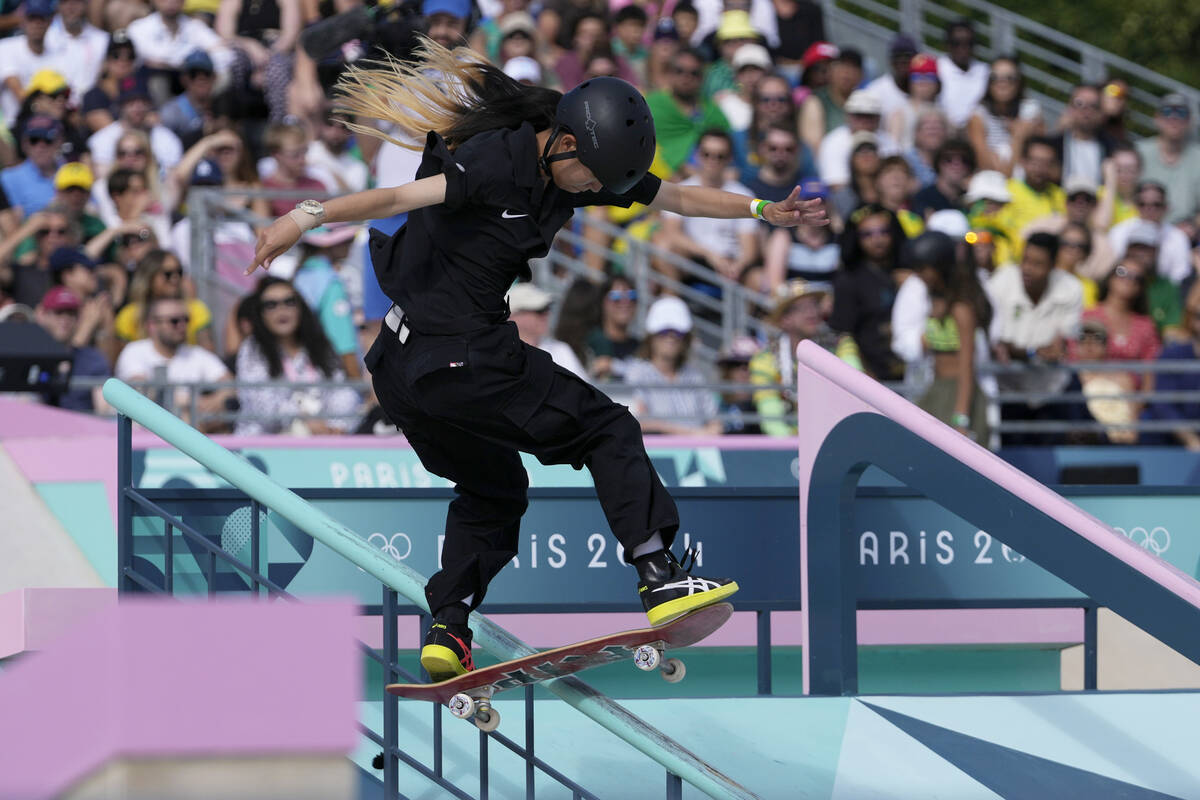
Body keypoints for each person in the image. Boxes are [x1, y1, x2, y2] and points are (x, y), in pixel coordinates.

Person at [249, 44, 825, 679]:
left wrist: (761, 211)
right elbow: (394, 199)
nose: (599, 193)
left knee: (492, 489)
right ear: (566, 145)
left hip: (400, 370)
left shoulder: (581, 167)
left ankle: (448, 628)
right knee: (608, 429)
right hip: (464, 355)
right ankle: (659, 575)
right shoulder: (495, 161)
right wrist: (304, 216)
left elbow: (679, 200)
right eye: (595, 179)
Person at [234, 276, 361, 435]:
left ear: (301, 307)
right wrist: (304, 420)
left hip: (321, 441)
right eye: (271, 305)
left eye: (289, 302)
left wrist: (335, 425)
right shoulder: (252, 349)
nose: (281, 310)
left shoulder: (320, 344)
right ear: (261, 314)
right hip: (263, 446)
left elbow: (342, 391)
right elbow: (261, 404)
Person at [988, 232, 1083, 445]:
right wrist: (1033, 352)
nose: (1028, 269)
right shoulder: (1001, 281)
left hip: (1049, 393)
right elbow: (994, 342)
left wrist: (1019, 350)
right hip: (1006, 393)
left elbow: (1061, 344)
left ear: (1052, 266)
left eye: (1037, 263)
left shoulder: (1071, 288)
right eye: (1025, 260)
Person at [907, 231, 992, 442]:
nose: (918, 275)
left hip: (959, 396)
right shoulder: (934, 304)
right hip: (935, 389)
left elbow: (966, 366)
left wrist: (961, 417)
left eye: (922, 269)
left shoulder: (962, 309)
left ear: (939, 267)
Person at [750, 278, 860, 435]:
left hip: (837, 438)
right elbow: (772, 421)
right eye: (800, 308)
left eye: (814, 305)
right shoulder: (764, 359)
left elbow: (855, 391)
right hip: (789, 447)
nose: (812, 313)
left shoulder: (842, 344)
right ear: (784, 320)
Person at [114, 294, 233, 429]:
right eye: (174, 321)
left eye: (186, 320)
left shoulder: (197, 354)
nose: (182, 326)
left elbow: (230, 385)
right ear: (152, 325)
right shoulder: (134, 351)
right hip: (145, 435)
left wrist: (216, 400)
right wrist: (192, 402)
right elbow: (142, 393)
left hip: (188, 429)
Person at [625, 296, 721, 435]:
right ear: (651, 336)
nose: (671, 337)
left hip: (698, 451)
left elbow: (715, 424)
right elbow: (637, 422)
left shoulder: (694, 376)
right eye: (663, 331)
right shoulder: (636, 373)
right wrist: (686, 433)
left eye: (678, 332)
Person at [830, 204, 905, 380]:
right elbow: (844, 334)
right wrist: (867, 381)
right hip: (873, 377)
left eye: (884, 231)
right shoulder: (849, 280)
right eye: (867, 234)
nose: (877, 240)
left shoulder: (910, 274)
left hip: (912, 372)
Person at [646, 47, 731, 175]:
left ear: (702, 77)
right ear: (670, 73)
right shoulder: (651, 106)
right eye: (680, 71)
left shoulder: (712, 111)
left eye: (694, 73)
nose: (686, 77)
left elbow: (727, 148)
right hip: (660, 181)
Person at [114, 248, 216, 350]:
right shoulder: (129, 316)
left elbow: (208, 355)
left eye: (179, 272)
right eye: (168, 274)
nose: (175, 278)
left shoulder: (196, 310)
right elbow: (123, 360)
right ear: (149, 277)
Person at [34, 285, 112, 413]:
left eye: (71, 313)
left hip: (84, 429)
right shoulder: (28, 356)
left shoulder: (93, 359)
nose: (65, 319)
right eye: (58, 312)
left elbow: (103, 411)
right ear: (42, 315)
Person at [1144, 283, 1200, 449]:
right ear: (1192, 320)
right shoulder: (1173, 354)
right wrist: (1190, 439)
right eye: (1199, 316)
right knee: (1147, 421)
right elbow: (1163, 404)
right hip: (1174, 438)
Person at [966, 56, 1042, 177]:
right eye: (995, 78)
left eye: (1010, 78)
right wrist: (1018, 137)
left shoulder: (1030, 110)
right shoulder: (978, 114)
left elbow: (1040, 165)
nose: (1002, 83)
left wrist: (1016, 141)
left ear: (1019, 82)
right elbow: (987, 167)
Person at [1108, 182, 1193, 286]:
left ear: (1166, 207)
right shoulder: (1119, 232)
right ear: (1135, 206)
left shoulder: (1178, 237)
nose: (1149, 209)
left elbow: (1180, 276)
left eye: (1156, 204)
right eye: (1142, 204)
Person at [1136, 93, 1200, 225]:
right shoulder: (1139, 151)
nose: (1173, 118)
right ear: (1157, 119)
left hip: (1187, 231)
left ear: (1189, 121)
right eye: (1167, 112)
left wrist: (1193, 226)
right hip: (1142, 225)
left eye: (1181, 113)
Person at [764, 179, 838, 289]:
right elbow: (775, 285)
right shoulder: (784, 237)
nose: (814, 206)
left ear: (828, 205)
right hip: (792, 302)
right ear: (797, 204)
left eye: (820, 201)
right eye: (809, 201)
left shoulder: (837, 239)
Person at [506, 281, 588, 378]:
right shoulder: (494, 354)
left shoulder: (561, 350)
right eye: (539, 310)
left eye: (547, 309)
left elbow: (582, 390)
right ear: (513, 316)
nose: (546, 315)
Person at [1050, 84, 1118, 186]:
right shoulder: (1053, 146)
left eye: (1093, 105)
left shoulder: (1112, 148)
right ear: (1069, 108)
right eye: (1079, 103)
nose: (1086, 110)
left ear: (1101, 112)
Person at [0, 115, 63, 217]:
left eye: (47, 140)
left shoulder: (73, 171)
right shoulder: (8, 179)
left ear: (59, 142)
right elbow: (12, 225)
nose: (40, 146)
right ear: (24, 144)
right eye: (34, 140)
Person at [585, 274, 640, 385]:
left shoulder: (641, 347)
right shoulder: (590, 342)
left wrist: (613, 366)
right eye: (616, 296)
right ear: (602, 302)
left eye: (631, 295)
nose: (625, 302)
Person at [158, 49, 217, 150]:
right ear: (184, 79)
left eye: (206, 73)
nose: (200, 78)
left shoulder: (222, 106)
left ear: (214, 77)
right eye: (193, 74)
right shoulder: (171, 111)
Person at [936, 18, 989, 129]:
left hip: (977, 131)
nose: (963, 48)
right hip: (944, 131)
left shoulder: (985, 71)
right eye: (956, 43)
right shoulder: (937, 68)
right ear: (947, 45)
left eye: (969, 43)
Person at [911, 137, 974, 218]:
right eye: (949, 159)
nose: (957, 164)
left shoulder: (972, 200)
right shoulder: (923, 198)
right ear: (938, 163)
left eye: (964, 160)